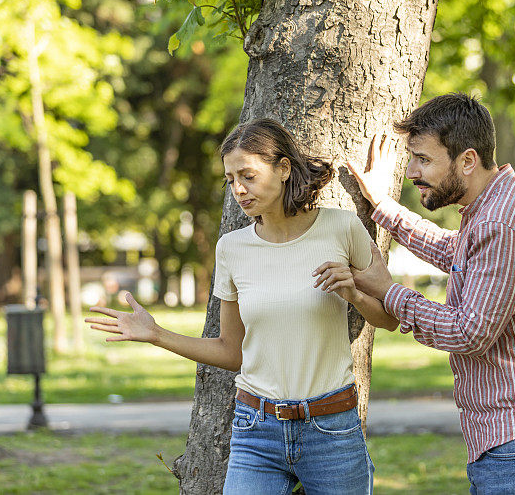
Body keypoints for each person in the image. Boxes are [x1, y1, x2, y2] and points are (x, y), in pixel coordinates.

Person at [86, 118, 397, 495]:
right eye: (230, 180)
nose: (238, 190)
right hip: (256, 430)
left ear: (283, 169)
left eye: (247, 176)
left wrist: (354, 296)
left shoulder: (342, 228)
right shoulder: (231, 248)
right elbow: (232, 351)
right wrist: (155, 334)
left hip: (331, 426)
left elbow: (389, 319)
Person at [347, 93, 515, 494]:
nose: (410, 171)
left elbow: (469, 332)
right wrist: (382, 206)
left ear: (467, 160)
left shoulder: (504, 222)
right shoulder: (505, 202)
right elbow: (456, 252)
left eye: (423, 159)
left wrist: (389, 292)